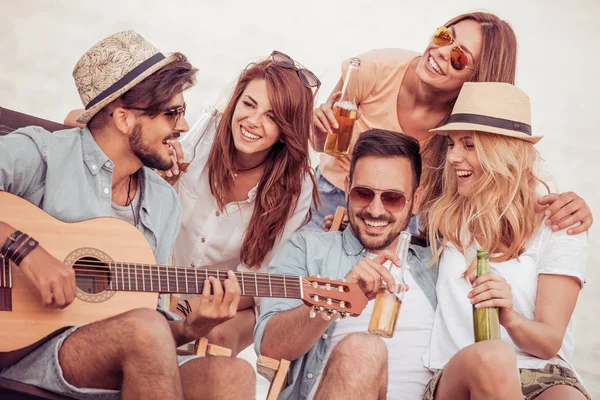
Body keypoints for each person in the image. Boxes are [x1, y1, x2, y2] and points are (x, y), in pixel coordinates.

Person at [0, 30, 255, 400]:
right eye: (173, 113)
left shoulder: (163, 201)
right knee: (144, 330)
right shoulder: (44, 155)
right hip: (28, 350)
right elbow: (143, 331)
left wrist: (190, 328)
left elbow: (147, 324)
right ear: (122, 117)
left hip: (116, 354)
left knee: (234, 375)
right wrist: (25, 250)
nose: (183, 127)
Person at [309, 11, 592, 236]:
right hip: (335, 195)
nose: (442, 52)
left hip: (406, 221)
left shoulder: (468, 124)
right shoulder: (372, 68)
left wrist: (568, 207)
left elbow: (501, 178)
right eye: (444, 36)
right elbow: (324, 144)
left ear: (477, 78)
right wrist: (318, 132)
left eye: (459, 58)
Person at [422, 82, 589, 399]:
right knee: (494, 356)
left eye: (469, 145)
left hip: (543, 374)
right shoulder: (443, 216)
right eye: (452, 144)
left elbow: (549, 341)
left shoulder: (559, 225)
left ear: (503, 152)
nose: (454, 157)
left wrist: (509, 318)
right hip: (461, 374)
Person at [255, 129, 439, 400]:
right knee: (364, 350)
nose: (375, 210)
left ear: (417, 199)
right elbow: (270, 347)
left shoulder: (438, 263)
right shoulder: (307, 248)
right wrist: (336, 297)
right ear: (346, 187)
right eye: (363, 193)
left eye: (392, 198)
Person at [167, 50, 319, 355]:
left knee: (216, 341)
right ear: (235, 100)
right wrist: (159, 174)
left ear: (286, 131)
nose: (252, 121)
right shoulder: (196, 130)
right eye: (249, 104)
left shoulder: (296, 186)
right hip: (150, 282)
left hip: (225, 303)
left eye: (272, 117)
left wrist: (189, 309)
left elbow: (261, 280)